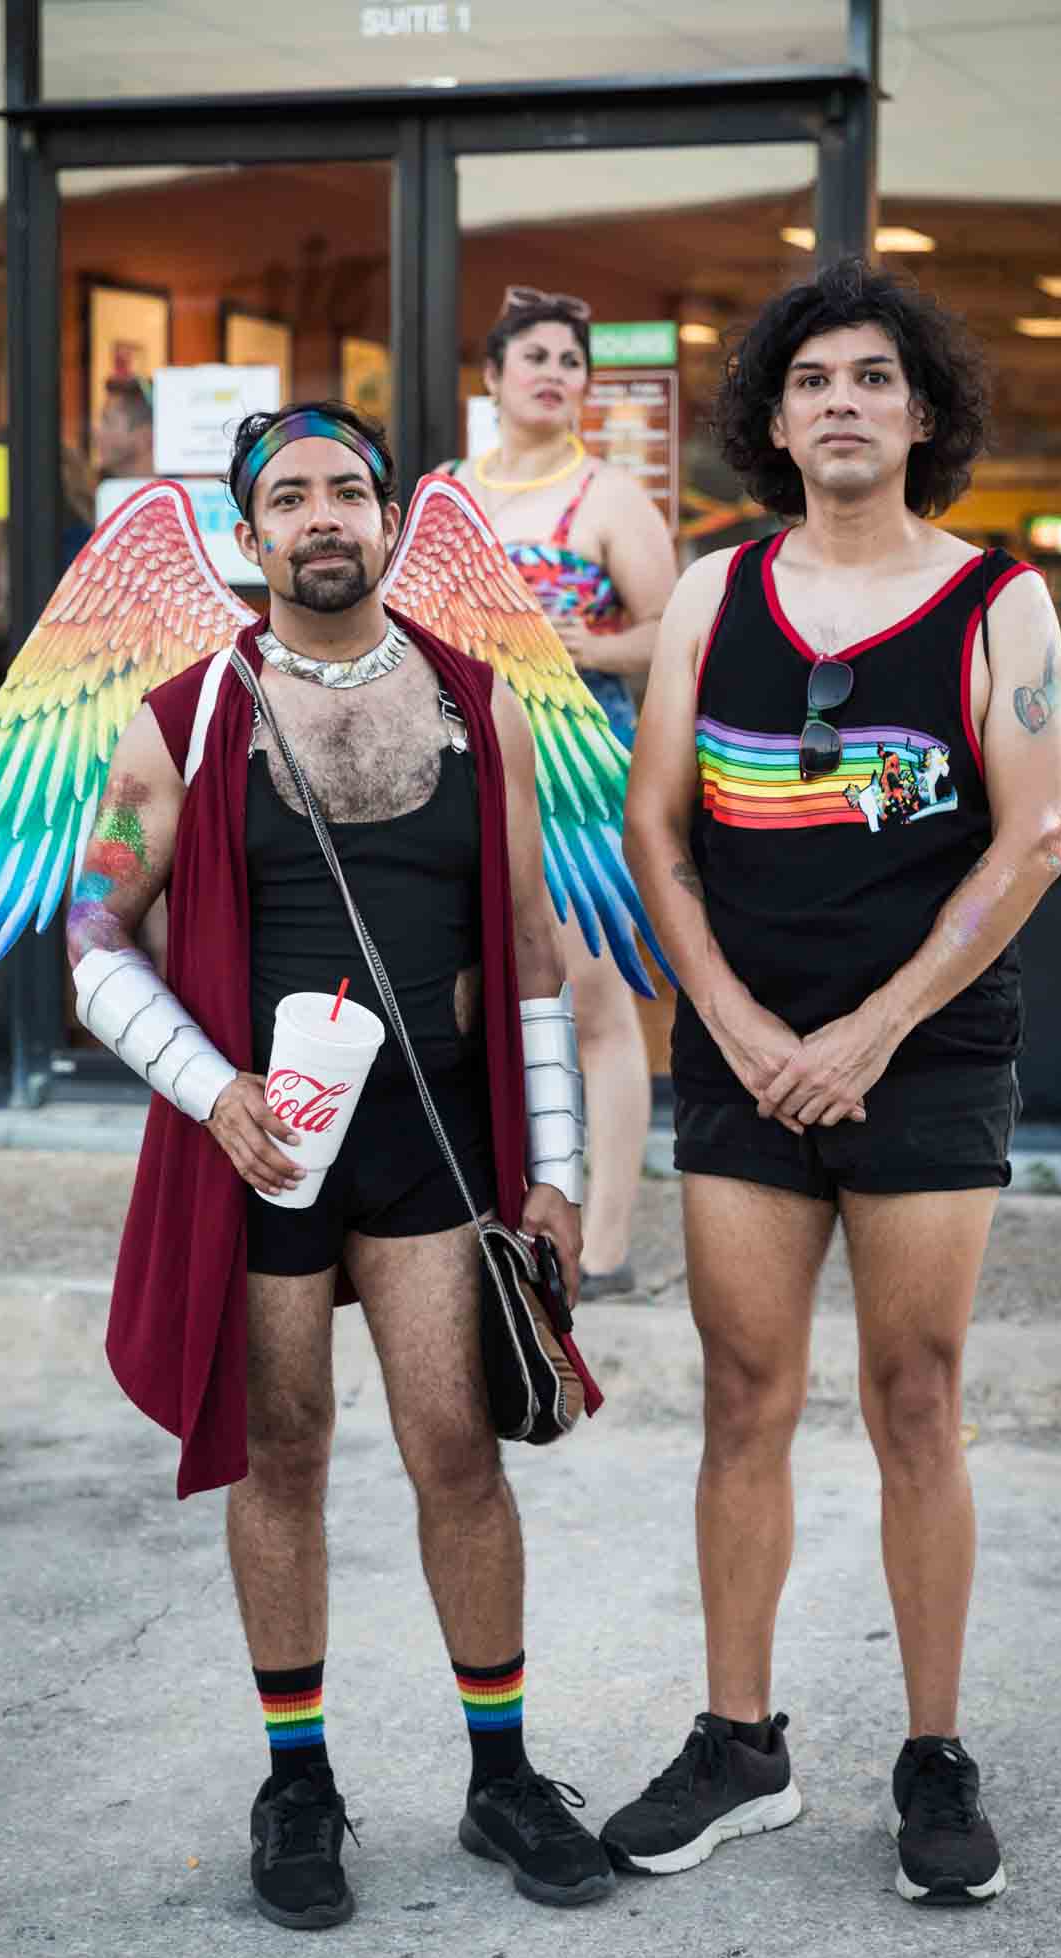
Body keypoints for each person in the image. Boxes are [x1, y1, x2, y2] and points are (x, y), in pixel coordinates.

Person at [66, 399, 615, 1929]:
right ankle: (297, 1782)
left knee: (459, 1451)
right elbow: (92, 944)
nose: (323, 517)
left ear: (388, 523)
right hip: (267, 1149)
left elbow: (532, 961)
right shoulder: (181, 718)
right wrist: (208, 1087)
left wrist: (555, 1174)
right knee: (284, 1450)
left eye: (348, 493)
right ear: (249, 538)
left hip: (435, 1142)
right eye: (290, 497)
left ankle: (502, 1776)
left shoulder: (475, 705)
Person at [606, 259, 1061, 1906]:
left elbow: (1030, 834)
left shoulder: (992, 600)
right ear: (774, 420)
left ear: (921, 409)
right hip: (742, 1052)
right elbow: (655, 826)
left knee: (911, 1402)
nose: (843, 402)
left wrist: (869, 1032)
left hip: (924, 1052)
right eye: (812, 382)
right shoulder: (713, 598)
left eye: (874, 377)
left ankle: (931, 1757)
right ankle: (741, 1743)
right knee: (739, 1399)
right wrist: (728, 1016)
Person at [446, 286, 678, 1299]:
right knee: (466, 993)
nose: (553, 371)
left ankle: (612, 1242)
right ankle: (477, 1221)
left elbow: (674, 630)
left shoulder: (612, 498)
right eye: (532, 355)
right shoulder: (445, 490)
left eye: (570, 359)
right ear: (491, 377)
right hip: (457, 770)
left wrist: (592, 642)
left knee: (592, 999)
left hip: (579, 773)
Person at [92, 374, 155, 481]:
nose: (96, 431)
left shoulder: (182, 493)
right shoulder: (97, 491)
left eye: (108, 421)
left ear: (145, 436)